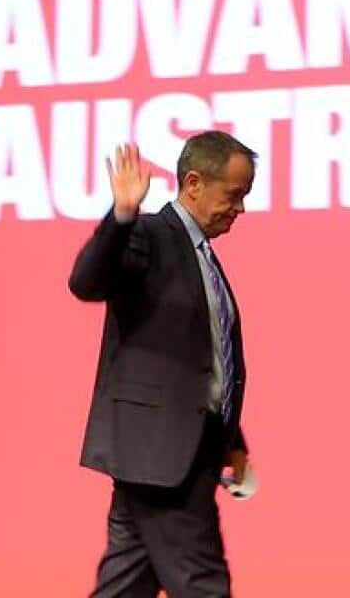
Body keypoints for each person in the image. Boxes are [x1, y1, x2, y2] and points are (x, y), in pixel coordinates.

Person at [69, 130, 258, 597]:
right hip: (164, 455)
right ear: (193, 183)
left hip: (165, 453)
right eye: (234, 195)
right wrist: (122, 215)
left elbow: (206, 363)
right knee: (203, 587)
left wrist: (230, 438)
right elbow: (87, 281)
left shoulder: (203, 258)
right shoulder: (150, 235)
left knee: (125, 588)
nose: (241, 209)